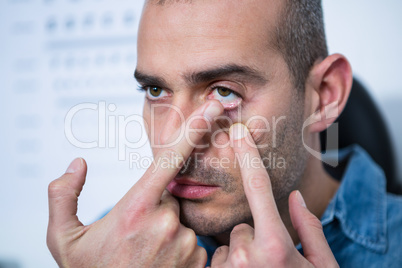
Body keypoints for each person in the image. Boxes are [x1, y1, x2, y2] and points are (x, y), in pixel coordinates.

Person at [47, 0, 402, 267]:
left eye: (224, 92)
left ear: (324, 95)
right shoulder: (113, 249)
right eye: (156, 90)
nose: (174, 139)